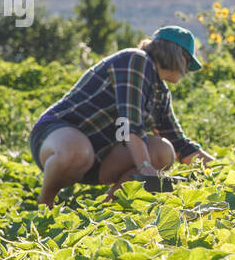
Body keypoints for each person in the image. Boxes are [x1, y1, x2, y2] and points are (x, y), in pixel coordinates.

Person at [29, 25, 214, 206]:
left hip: (98, 155)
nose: (188, 70)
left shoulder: (161, 92)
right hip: (55, 137)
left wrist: (222, 171)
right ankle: (44, 204)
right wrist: (145, 167)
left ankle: (108, 209)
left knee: (163, 151)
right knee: (77, 150)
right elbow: (129, 123)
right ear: (176, 55)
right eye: (188, 62)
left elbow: (179, 144)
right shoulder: (136, 60)